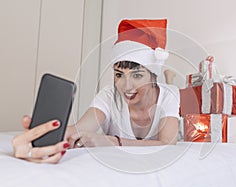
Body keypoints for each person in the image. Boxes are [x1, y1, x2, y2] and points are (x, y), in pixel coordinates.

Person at [12, 19, 180, 164]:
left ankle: (169, 78)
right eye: (119, 75)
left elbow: (167, 143)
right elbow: (78, 129)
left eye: (137, 75)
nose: (126, 86)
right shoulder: (109, 96)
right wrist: (43, 137)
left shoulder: (169, 95)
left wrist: (112, 141)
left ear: (153, 75)